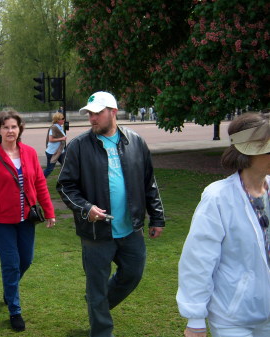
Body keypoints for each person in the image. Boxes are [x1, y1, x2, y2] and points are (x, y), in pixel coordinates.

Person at [56, 91, 165, 337]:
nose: (92, 119)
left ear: (113, 112)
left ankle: (98, 304)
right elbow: (65, 185)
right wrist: (86, 208)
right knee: (96, 287)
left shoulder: (135, 141)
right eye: (90, 114)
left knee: (133, 274)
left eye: (98, 113)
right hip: (96, 232)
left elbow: (149, 182)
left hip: (131, 229)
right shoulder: (78, 146)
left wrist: (157, 217)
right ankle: (102, 330)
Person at [177, 112, 270, 337]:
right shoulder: (218, 198)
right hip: (233, 317)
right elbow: (198, 260)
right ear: (250, 152)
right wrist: (196, 319)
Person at [0, 108, 56, 332]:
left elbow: (40, 183)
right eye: (6, 127)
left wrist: (49, 211)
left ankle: (8, 289)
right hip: (1, 222)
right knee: (10, 264)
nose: (10, 130)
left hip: (27, 219)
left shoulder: (29, 153)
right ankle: (15, 310)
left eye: (14, 126)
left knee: (26, 260)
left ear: (19, 129)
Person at [43, 112, 67, 178]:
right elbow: (51, 139)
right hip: (52, 153)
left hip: (60, 152)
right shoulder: (54, 128)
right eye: (62, 118)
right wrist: (62, 138)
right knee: (49, 169)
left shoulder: (59, 127)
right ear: (58, 120)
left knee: (66, 166)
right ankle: (39, 180)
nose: (64, 120)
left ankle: (64, 181)